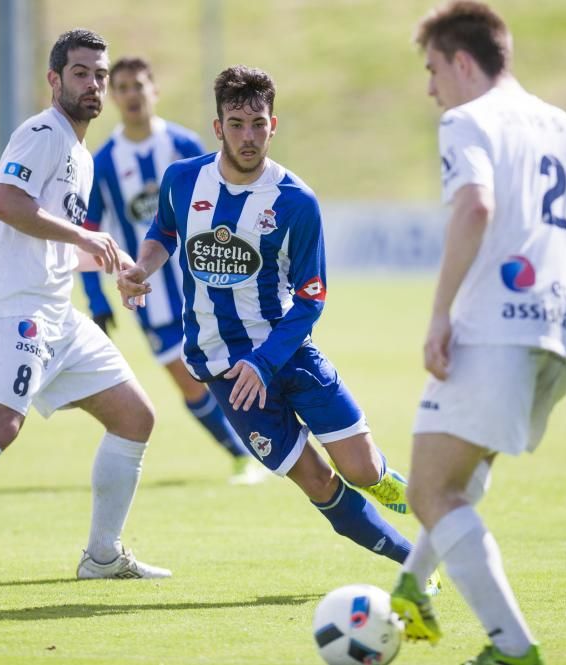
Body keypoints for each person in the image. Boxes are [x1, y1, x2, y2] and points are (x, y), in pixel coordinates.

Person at [116, 65, 439, 588]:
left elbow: (311, 299)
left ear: (274, 125)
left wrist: (264, 361)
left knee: (360, 470)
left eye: (258, 124)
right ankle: (414, 562)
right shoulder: (182, 180)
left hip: (286, 356)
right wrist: (141, 267)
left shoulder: (295, 201)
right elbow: (163, 231)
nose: (248, 136)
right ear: (217, 127)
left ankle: (396, 490)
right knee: (316, 480)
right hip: (225, 372)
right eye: (237, 123)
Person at [388, 3, 566, 664]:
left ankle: (513, 649)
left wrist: (441, 315)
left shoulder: (467, 120)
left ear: (463, 62)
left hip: (495, 329)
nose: (432, 87)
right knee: (463, 471)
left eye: (434, 69)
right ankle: (413, 582)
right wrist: (552, 304)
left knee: (429, 489)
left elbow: (476, 204)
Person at [0, 29, 171, 589]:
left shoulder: (80, 150)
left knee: (135, 416)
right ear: (54, 80)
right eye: (81, 73)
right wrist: (84, 235)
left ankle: (101, 556)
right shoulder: (42, 133)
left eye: (100, 74)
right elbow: (4, 204)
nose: (93, 84)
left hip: (56, 313)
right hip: (15, 306)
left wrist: (114, 263)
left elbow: (55, 242)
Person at [79, 56, 264, 486]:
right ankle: (241, 455)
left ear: (153, 91)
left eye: (137, 85)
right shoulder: (104, 162)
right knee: (189, 381)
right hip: (150, 296)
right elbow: (89, 230)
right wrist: (95, 296)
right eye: (121, 87)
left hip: (207, 282)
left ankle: (272, 438)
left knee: (236, 369)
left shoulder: (183, 146)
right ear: (113, 97)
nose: (130, 94)